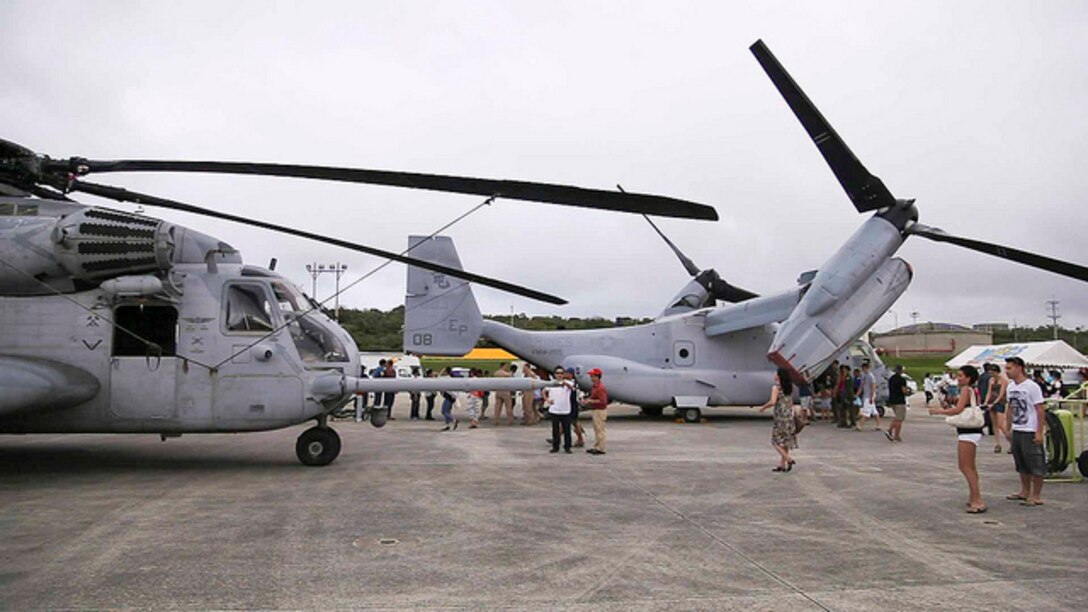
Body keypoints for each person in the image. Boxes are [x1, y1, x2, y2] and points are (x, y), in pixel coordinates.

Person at [929, 365, 986, 514]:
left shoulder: (966, 390)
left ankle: (977, 499)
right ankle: (974, 496)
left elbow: (958, 409)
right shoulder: (971, 390)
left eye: (961, 376)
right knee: (970, 466)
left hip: (968, 432)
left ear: (968, 378)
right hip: (970, 432)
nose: (958, 378)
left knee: (965, 466)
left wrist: (939, 411)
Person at [1005, 356, 1047, 507]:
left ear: (1019, 368)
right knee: (1021, 462)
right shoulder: (1011, 387)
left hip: (1030, 429)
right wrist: (1008, 427)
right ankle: (1024, 491)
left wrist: (1039, 431)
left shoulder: (1032, 387)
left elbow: (1040, 410)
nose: (1007, 371)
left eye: (1009, 368)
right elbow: (1010, 407)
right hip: (1018, 428)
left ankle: (1036, 495)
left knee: (1035, 462)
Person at [759, 368, 797, 472]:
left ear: (779, 376)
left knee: (775, 441)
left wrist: (763, 407)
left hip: (780, 417)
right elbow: (790, 402)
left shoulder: (776, 388)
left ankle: (789, 459)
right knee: (786, 441)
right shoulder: (789, 388)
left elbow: (772, 401)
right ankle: (782, 464)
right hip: (789, 416)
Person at [546, 367, 574, 454]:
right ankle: (555, 446)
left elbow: (572, 389)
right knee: (555, 430)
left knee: (567, 430)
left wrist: (564, 383)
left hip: (565, 410)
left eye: (561, 373)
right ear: (555, 374)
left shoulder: (568, 382)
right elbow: (544, 390)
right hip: (555, 410)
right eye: (558, 373)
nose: (559, 375)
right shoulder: (551, 383)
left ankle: (567, 446)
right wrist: (547, 399)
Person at [982, 363, 1008, 453]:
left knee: (1001, 424)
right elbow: (989, 392)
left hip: (1000, 402)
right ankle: (997, 443)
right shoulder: (991, 380)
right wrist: (986, 402)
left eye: (993, 372)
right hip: (991, 402)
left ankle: (1010, 441)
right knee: (994, 424)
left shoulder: (1003, 381)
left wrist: (994, 403)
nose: (992, 374)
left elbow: (1001, 394)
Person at [583, 368, 609, 455]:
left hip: (600, 410)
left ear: (598, 377)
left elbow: (603, 401)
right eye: (591, 376)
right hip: (596, 410)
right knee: (596, 429)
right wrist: (588, 399)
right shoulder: (595, 387)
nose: (591, 378)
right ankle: (597, 446)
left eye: (593, 376)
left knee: (600, 429)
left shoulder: (600, 388)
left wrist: (591, 401)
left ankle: (601, 448)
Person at [885, 364, 909, 442]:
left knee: (897, 417)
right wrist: (908, 392)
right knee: (899, 418)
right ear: (901, 370)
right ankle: (894, 433)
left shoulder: (891, 379)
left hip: (892, 400)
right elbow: (904, 391)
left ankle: (894, 433)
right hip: (900, 400)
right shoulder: (902, 380)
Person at [856, 362, 882, 432]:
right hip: (865, 395)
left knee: (866, 412)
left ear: (866, 368)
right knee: (874, 411)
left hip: (869, 396)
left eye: (864, 368)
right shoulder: (863, 376)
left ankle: (860, 425)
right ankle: (878, 424)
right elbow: (861, 386)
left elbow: (873, 387)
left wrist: (872, 397)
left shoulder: (871, 376)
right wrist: (857, 394)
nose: (863, 370)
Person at [438, 367, 459, 431]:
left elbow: (438, 378)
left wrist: (442, 371)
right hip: (452, 397)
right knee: (447, 411)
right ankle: (447, 425)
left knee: (444, 411)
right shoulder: (453, 378)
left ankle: (454, 420)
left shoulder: (446, 378)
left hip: (448, 397)